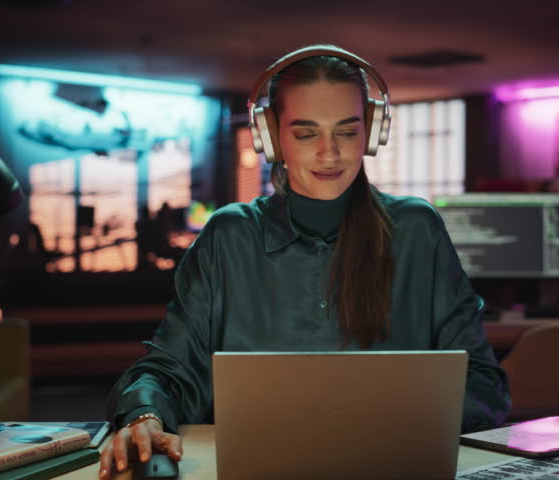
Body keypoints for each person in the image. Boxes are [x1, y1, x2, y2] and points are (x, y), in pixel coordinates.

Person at [99, 45, 511, 479]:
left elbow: (483, 383)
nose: (329, 153)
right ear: (272, 138)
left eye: (347, 132)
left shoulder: (416, 230)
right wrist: (144, 417)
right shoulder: (229, 237)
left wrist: (386, 419)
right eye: (306, 133)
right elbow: (166, 370)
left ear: (371, 134)